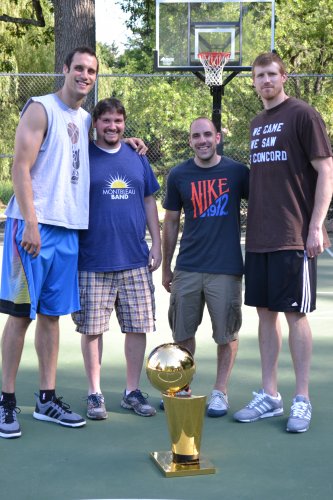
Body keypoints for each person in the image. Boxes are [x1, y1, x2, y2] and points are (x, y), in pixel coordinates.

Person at [0, 48, 145, 439]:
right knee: (20, 314)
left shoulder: (84, 119)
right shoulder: (40, 108)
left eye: (91, 71)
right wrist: (29, 222)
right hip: (32, 226)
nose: (84, 75)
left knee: (51, 316)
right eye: (78, 68)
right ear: (65, 70)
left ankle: (46, 399)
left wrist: (127, 141)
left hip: (68, 231)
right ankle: (6, 401)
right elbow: (20, 166)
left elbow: (103, 143)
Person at [233, 52, 333, 433]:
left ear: (284, 77)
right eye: (259, 76)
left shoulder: (303, 114)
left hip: (293, 235)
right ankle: (270, 395)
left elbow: (326, 170)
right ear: (254, 81)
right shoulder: (258, 122)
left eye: (272, 74)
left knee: (296, 316)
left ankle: (302, 398)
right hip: (259, 236)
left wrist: (315, 225)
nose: (265, 81)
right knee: (264, 314)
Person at [72, 97, 161, 419]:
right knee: (93, 330)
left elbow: (149, 200)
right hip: (93, 258)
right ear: (95, 123)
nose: (112, 126)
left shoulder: (137, 157)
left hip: (135, 258)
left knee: (137, 327)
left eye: (118, 121)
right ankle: (95, 393)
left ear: (125, 124)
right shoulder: (82, 155)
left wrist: (157, 244)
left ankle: (131, 391)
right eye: (106, 120)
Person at [162, 117, 249, 417]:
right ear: (190, 141)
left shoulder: (238, 173)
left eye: (207, 135)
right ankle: (182, 386)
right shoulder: (178, 175)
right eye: (196, 136)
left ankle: (220, 392)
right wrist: (166, 267)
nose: (202, 140)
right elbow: (171, 222)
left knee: (226, 334)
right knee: (182, 332)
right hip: (188, 266)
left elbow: (266, 203)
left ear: (218, 137)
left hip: (225, 268)